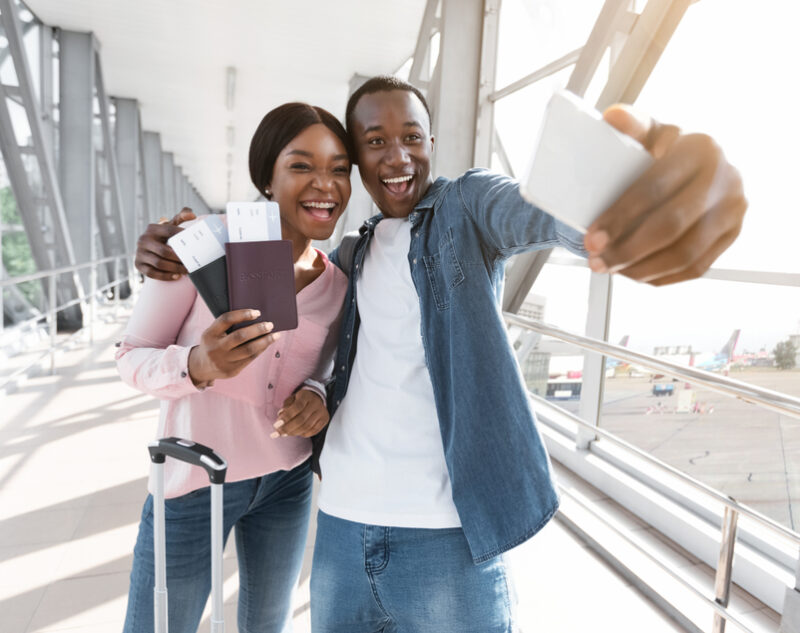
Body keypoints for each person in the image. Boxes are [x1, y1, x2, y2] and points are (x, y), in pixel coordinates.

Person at [136, 76, 746, 632]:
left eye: (411, 137)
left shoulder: (464, 209)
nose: (397, 156)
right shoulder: (349, 257)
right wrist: (313, 390)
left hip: (446, 540)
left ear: (432, 142)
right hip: (340, 532)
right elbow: (339, 360)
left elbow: (533, 212)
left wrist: (618, 203)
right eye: (374, 141)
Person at [117, 102, 352, 633]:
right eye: (301, 165)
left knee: (267, 625)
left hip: (286, 480)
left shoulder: (337, 284)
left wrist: (316, 392)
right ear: (266, 177)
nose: (325, 184)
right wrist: (196, 364)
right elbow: (131, 356)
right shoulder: (200, 247)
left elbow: (325, 366)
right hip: (195, 481)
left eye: (339, 169)